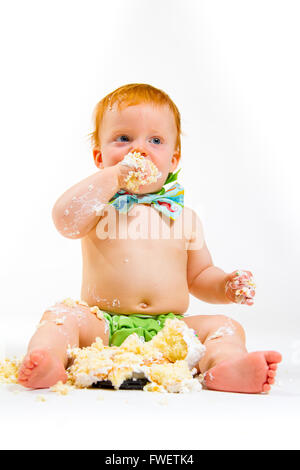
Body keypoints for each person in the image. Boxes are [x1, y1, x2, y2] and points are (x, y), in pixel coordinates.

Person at [18, 83, 281, 392]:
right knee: (60, 316)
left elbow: (199, 275)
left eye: (155, 140)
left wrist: (225, 285)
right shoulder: (96, 208)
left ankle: (224, 367)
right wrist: (114, 177)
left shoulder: (186, 218)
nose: (138, 149)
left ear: (173, 159)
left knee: (227, 327)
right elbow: (65, 221)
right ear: (99, 157)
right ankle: (48, 360)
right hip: (102, 324)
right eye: (124, 138)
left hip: (169, 329)